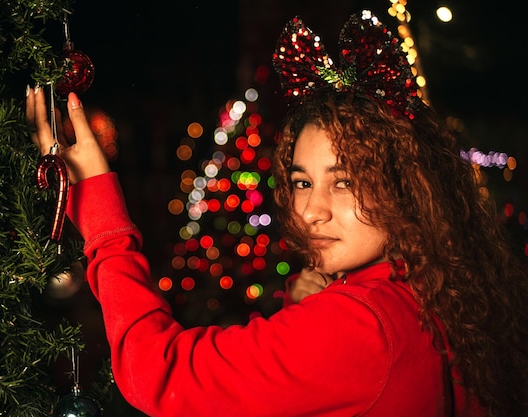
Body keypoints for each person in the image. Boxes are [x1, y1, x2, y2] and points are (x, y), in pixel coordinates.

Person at [27, 10, 528, 417]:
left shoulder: (361, 328)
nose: (311, 211)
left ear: (406, 188)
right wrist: (310, 311)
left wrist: (98, 205)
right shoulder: (436, 290)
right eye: (303, 181)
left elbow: (157, 375)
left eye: (346, 180)